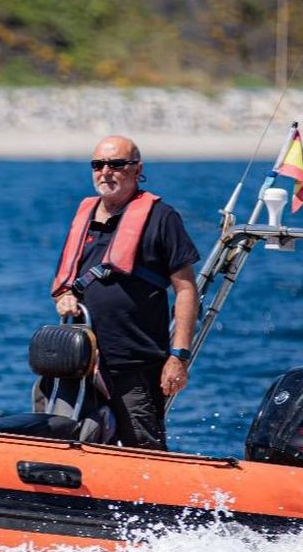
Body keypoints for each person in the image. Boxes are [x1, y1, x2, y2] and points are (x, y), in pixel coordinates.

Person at [50, 135, 199, 451]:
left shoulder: (162, 217)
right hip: (80, 362)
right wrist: (64, 297)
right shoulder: (84, 216)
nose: (105, 172)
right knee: (65, 440)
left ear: (137, 169)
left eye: (116, 164)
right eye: (98, 165)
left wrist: (179, 356)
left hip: (134, 363)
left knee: (143, 448)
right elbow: (64, 283)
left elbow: (186, 289)